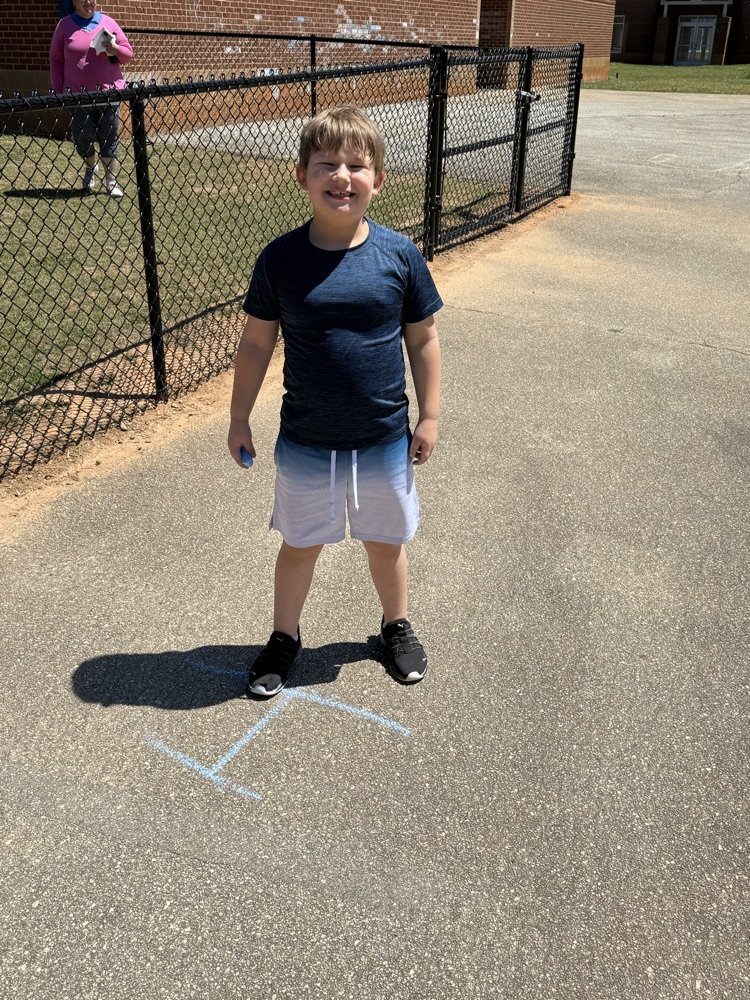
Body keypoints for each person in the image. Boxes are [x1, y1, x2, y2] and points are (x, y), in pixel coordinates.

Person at [228, 105, 443, 699]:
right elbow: (254, 342)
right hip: (306, 438)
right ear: (302, 175)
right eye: (327, 163)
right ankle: (283, 636)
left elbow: (423, 338)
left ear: (378, 179)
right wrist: (238, 416)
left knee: (386, 541)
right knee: (300, 544)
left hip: (382, 437)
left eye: (357, 164)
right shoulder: (280, 259)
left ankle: (394, 626)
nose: (342, 175)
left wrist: (428, 415)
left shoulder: (399, 256)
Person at [49, 0, 133, 198]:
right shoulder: (64, 25)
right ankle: (90, 168)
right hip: (77, 96)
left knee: (109, 139)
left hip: (109, 93)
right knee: (82, 138)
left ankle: (111, 181)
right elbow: (55, 60)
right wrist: (59, 91)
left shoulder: (109, 23)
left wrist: (115, 49)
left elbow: (128, 54)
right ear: (74, 1)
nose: (88, 2)